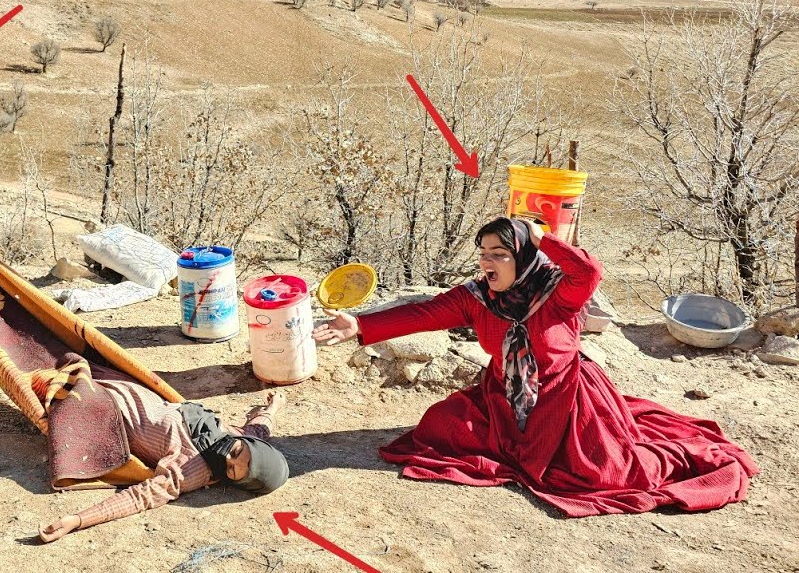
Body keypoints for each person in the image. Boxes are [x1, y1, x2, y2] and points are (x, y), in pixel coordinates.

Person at [314, 217, 758, 517]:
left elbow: (589, 271)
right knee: (436, 427)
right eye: (483, 252)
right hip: (503, 396)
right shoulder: (476, 297)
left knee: (602, 474)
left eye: (499, 253)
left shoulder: (558, 291)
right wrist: (360, 324)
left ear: (525, 256)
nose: (486, 262)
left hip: (566, 401)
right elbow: (423, 313)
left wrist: (541, 234)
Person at [38, 387, 290, 543]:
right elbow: (260, 428)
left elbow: (141, 497)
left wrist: (78, 520)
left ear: (238, 483)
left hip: (94, 404)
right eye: (236, 452)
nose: (227, 458)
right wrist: (274, 406)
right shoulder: (239, 436)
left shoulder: (193, 469)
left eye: (232, 470)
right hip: (124, 384)